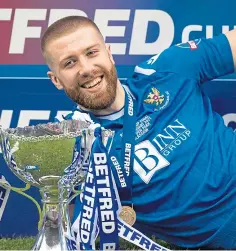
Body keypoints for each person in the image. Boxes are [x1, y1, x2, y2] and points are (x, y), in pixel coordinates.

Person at [41, 15, 236, 249]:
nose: (86, 69)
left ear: (109, 53)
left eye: (91, 53)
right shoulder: (73, 141)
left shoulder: (168, 69)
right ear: (56, 80)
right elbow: (61, 230)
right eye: (69, 63)